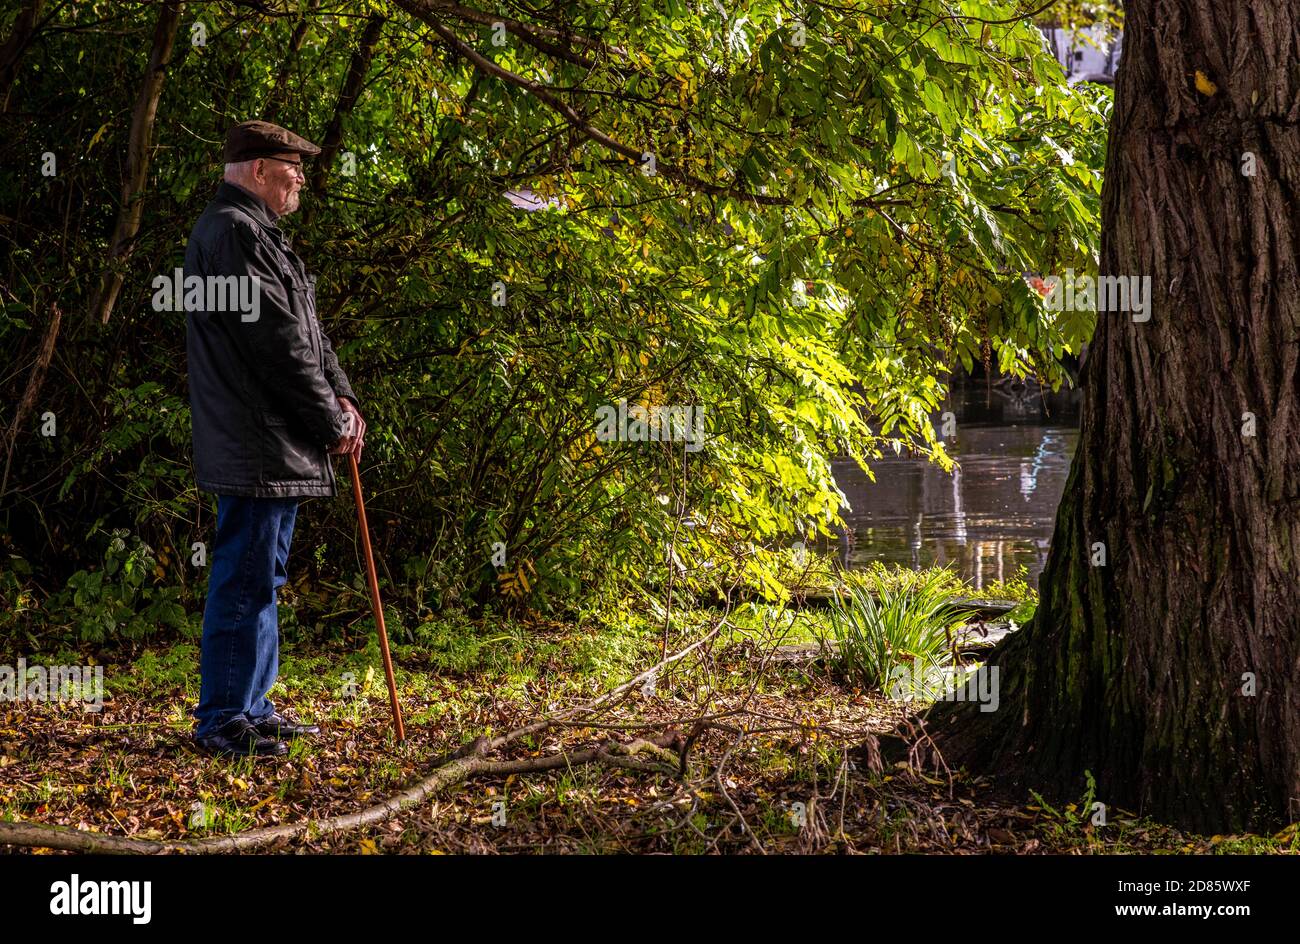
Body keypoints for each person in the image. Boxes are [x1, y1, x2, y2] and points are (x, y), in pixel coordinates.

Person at [185, 119, 367, 757]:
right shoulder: (234, 234)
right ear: (258, 170)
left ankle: (253, 706)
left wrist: (341, 396)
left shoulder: (256, 234)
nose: (301, 178)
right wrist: (328, 420)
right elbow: (277, 346)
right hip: (254, 442)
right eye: (292, 166)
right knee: (243, 577)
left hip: (269, 441)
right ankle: (224, 720)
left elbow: (308, 333)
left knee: (261, 575)